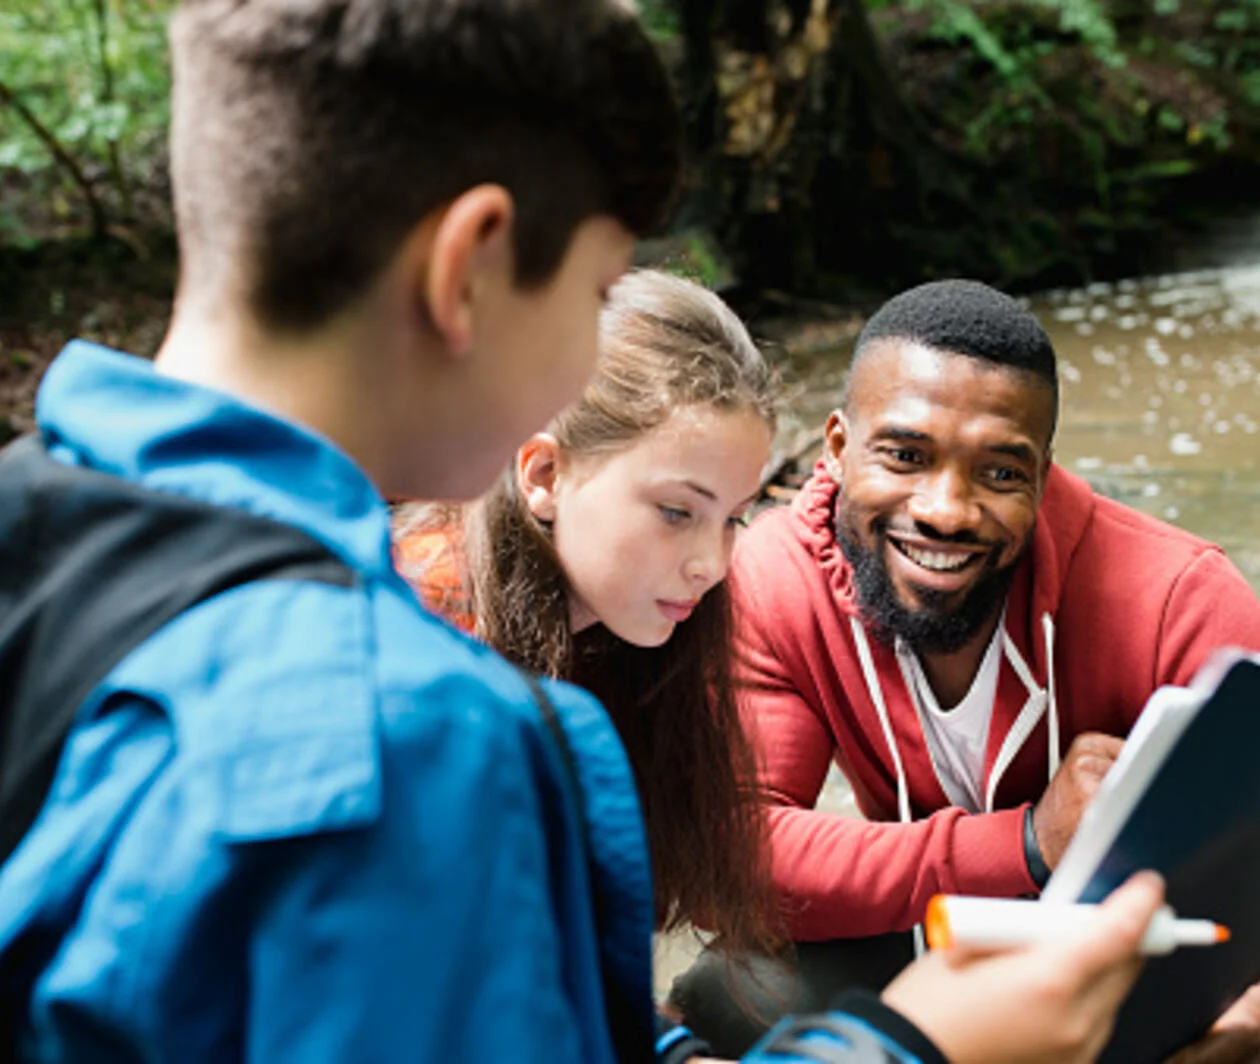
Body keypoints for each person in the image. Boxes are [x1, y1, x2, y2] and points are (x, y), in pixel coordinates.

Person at [0, 1, 1172, 1058]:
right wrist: (923, 1044)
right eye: (594, 288)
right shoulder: (416, 739)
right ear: (471, 264)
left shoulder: (35, 522)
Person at [670, 278, 1260, 1053]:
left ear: (1044, 477)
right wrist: (1025, 842)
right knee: (723, 990)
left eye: (1000, 473)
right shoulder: (774, 580)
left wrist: (1244, 1023)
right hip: (939, 947)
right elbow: (731, 859)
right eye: (906, 455)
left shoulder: (1178, 596)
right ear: (839, 448)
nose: (946, 509)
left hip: (1132, 969)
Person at [394, 269, 784, 965]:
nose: (713, 563)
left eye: (733, 517)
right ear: (544, 475)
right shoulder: (426, 645)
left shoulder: (625, 632)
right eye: (677, 512)